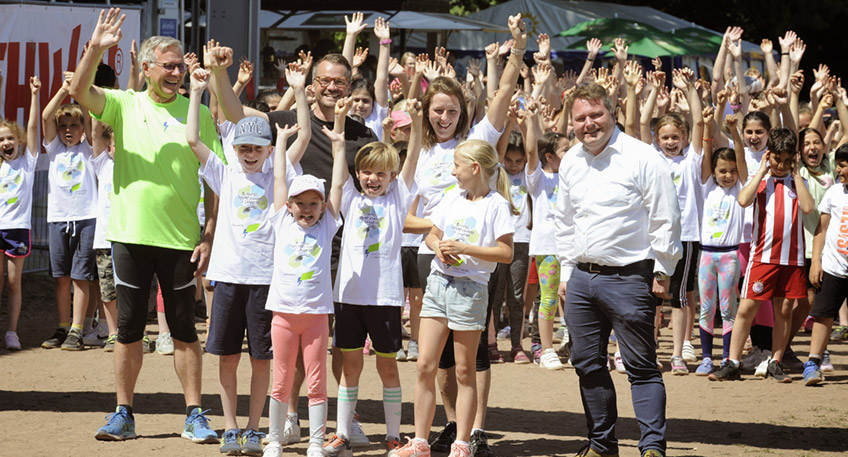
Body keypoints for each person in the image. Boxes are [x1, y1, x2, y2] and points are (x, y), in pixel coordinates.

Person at [70, 9, 223, 443]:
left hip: (181, 239)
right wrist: (96, 47)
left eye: (180, 67)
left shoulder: (198, 114)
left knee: (184, 331)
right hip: (130, 237)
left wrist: (209, 233)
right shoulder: (124, 104)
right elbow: (79, 90)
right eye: (168, 66)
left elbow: (215, 179)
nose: (176, 73)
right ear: (147, 68)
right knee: (129, 329)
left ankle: (194, 415)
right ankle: (123, 414)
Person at [554, 83, 681, 457]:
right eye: (581, 118)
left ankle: (652, 447)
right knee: (587, 365)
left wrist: (663, 271)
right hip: (581, 279)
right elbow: (564, 221)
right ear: (572, 122)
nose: (589, 124)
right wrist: (566, 274)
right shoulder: (570, 161)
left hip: (631, 278)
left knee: (641, 367)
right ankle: (602, 445)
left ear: (612, 113)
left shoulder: (643, 157)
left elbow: (666, 216)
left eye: (596, 115)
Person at [188, 64, 309, 455]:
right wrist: (196, 92)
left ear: (269, 150)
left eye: (257, 148)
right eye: (244, 148)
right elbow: (193, 139)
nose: (250, 154)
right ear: (234, 149)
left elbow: (304, 136)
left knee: (261, 360)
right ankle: (230, 427)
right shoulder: (225, 174)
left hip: (266, 281)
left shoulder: (278, 174)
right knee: (226, 357)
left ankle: (255, 429)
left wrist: (299, 90)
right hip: (227, 278)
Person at [391, 139, 514, 457]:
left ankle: (461, 443)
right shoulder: (451, 197)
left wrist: (463, 248)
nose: (453, 172)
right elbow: (433, 235)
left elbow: (506, 253)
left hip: (471, 290)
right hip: (438, 284)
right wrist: (440, 248)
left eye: (457, 166)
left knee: (464, 370)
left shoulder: (497, 205)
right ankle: (420, 442)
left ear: (475, 168)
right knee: (424, 365)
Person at [323, 96, 422, 456]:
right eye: (366, 172)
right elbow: (339, 174)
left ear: (392, 176)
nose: (373, 179)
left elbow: (412, 158)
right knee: (349, 368)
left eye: (381, 173)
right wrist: (338, 129)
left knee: (387, 368)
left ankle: (393, 435)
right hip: (349, 296)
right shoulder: (351, 197)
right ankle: (342, 433)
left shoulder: (397, 198)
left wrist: (416, 123)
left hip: (385, 298)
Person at [263, 104, 347, 457]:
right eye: (300, 203)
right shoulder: (281, 219)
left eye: (314, 203)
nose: (307, 209)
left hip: (315, 317)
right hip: (283, 314)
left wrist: (339, 147)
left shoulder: (327, 225)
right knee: (281, 379)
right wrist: (281, 142)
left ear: (323, 205)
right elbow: (279, 180)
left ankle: (315, 442)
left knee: (316, 380)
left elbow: (338, 183)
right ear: (289, 205)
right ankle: (274, 440)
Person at [710, 128, 815, 382]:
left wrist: (796, 173)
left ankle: (775, 361)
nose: (781, 165)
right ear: (769, 156)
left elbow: (808, 207)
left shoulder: (798, 182)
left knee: (784, 310)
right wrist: (761, 171)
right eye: (777, 159)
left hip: (791, 259)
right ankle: (733, 362)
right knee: (747, 308)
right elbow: (743, 200)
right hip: (762, 257)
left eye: (787, 160)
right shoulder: (761, 181)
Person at [38, 70, 98, 351]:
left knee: (80, 276)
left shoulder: (88, 148)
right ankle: (63, 327)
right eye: (63, 127)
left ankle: (77, 329)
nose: (68, 131)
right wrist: (64, 89)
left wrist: (79, 91)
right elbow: (46, 117)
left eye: (74, 125)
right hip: (58, 219)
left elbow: (90, 119)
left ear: (83, 128)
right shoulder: (54, 149)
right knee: (61, 277)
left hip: (86, 218)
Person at [695, 112, 748, 375]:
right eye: (722, 171)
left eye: (732, 171)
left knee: (728, 309)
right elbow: (706, 154)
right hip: (706, 256)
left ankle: (727, 357)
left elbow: (741, 155)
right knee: (707, 308)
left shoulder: (740, 187)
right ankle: (707, 358)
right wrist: (707, 127)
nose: (728, 175)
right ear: (714, 172)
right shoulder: (707, 187)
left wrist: (734, 131)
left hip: (730, 257)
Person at [0, 76, 40, 350]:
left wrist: (34, 95)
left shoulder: (27, 163)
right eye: (1, 139)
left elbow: (34, 126)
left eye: (10, 138)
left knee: (14, 283)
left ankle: (11, 332)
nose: (6, 142)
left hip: (17, 229)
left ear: (19, 141)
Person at [804, 144, 848, 385]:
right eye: (838, 165)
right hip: (833, 267)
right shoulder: (834, 192)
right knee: (822, 316)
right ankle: (812, 363)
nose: (838, 170)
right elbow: (821, 230)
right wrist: (816, 263)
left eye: (842, 165)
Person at [90, 118, 119, 352]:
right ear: (109, 146)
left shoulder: (139, 168)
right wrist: (96, 109)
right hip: (104, 240)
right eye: (118, 144)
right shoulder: (103, 165)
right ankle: (113, 333)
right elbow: (94, 133)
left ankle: (136, 333)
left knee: (133, 290)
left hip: (131, 239)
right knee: (108, 290)